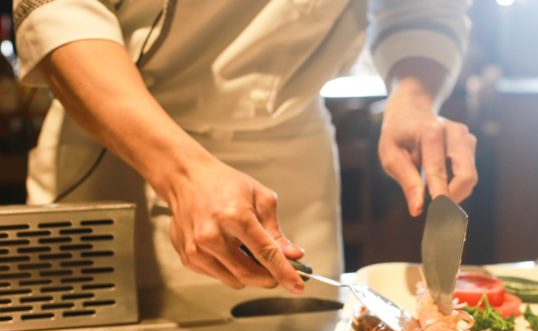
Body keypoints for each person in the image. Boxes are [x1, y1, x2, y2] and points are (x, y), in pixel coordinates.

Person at [12, 0, 478, 292]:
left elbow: (422, 10)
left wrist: (414, 98)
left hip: (289, 154)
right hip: (118, 140)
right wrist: (182, 174)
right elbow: (58, 11)